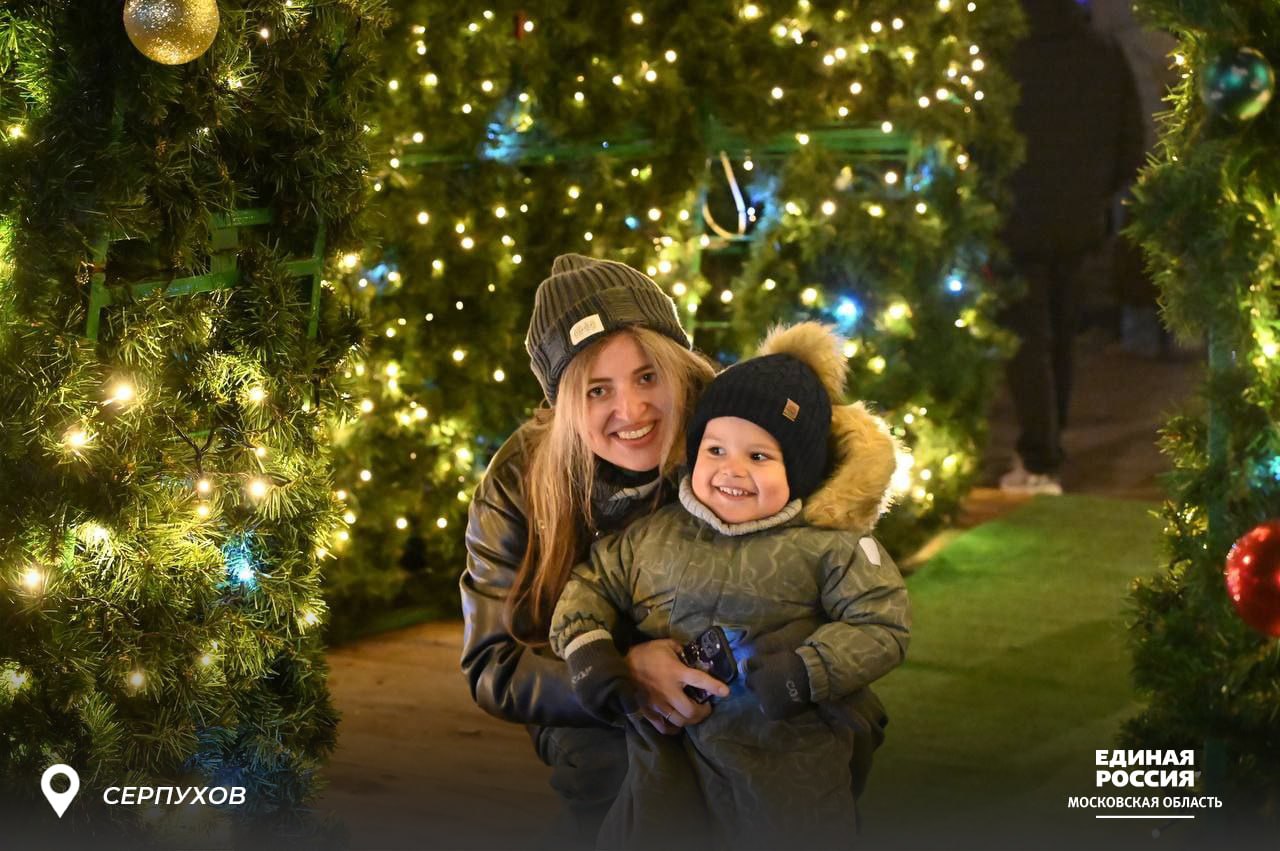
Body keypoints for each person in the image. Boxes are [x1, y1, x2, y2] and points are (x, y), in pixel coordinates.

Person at [549, 323, 910, 849]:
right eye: (715, 450)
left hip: (786, 759)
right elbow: (591, 582)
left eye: (759, 457)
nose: (731, 470)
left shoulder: (829, 547)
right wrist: (590, 651)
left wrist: (807, 671)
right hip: (667, 758)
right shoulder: (652, 536)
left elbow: (881, 621)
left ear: (800, 470)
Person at [459, 253, 725, 846]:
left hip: (729, 670)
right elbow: (492, 665)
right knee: (620, 776)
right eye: (597, 390)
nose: (631, 411)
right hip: (588, 698)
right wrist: (621, 676)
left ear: (678, 366)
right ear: (563, 405)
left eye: (647, 376)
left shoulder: (730, 428)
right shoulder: (518, 480)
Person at [999, 0, 1145, 494]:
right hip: (1079, 220)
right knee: (1062, 334)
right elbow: (1131, 140)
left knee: (1026, 338)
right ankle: (1047, 448)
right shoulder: (1102, 52)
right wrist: (1097, 193)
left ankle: (1038, 457)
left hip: (1015, 216)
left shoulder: (1004, 52)